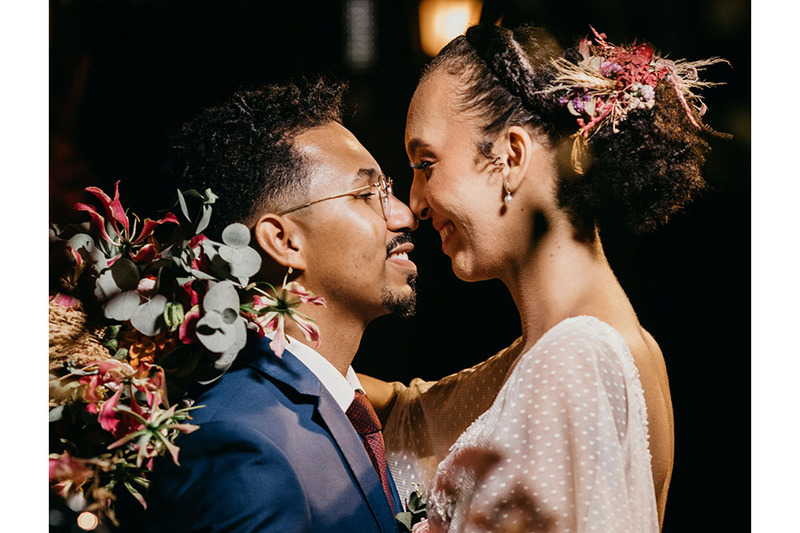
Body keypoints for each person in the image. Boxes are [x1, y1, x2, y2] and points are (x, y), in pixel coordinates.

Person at [362, 23, 723, 533]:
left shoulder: (575, 357)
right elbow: (409, 411)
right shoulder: (587, 347)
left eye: (426, 164)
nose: (415, 204)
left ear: (510, 156)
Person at [142, 78, 418, 532]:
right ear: (284, 241)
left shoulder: (344, 405)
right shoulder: (241, 444)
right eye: (369, 195)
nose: (404, 214)